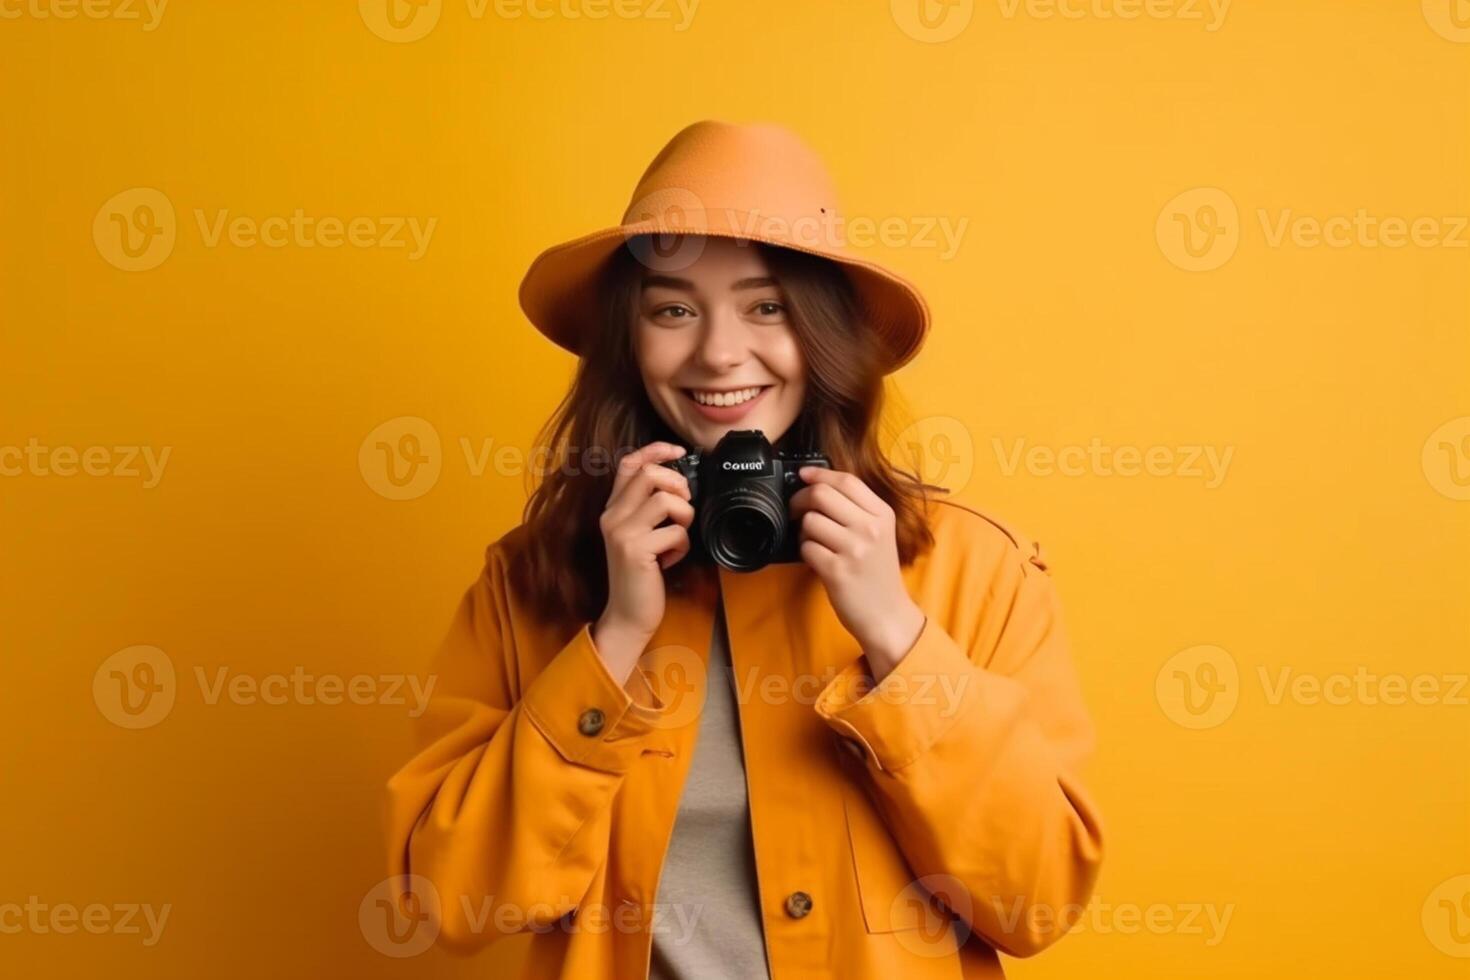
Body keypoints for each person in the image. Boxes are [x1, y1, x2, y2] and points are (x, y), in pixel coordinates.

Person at [383, 119, 1104, 979]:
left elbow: (1036, 901)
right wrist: (611, 643)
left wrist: (898, 640)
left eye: (767, 306)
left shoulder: (977, 570)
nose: (720, 353)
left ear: (826, 335)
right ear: (630, 339)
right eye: (674, 309)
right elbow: (454, 902)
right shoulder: (529, 580)